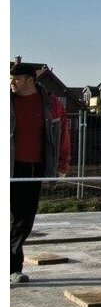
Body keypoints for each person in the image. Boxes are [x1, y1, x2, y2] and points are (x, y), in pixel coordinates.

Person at [10, 62, 71, 283]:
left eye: (16, 79)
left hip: (32, 168)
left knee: (23, 219)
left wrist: (62, 163)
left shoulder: (51, 104)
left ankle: (13, 268)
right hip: (8, 166)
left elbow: (62, 133)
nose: (12, 83)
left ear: (29, 79)